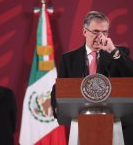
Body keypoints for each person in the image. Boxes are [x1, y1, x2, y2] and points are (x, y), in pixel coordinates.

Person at [51, 11, 133, 145]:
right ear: (84, 31)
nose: (100, 37)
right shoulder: (69, 59)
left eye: (105, 32)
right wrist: (57, 109)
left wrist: (113, 51)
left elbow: (131, 76)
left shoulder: (118, 54)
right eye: (95, 31)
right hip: (80, 124)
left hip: (117, 126)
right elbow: (59, 87)